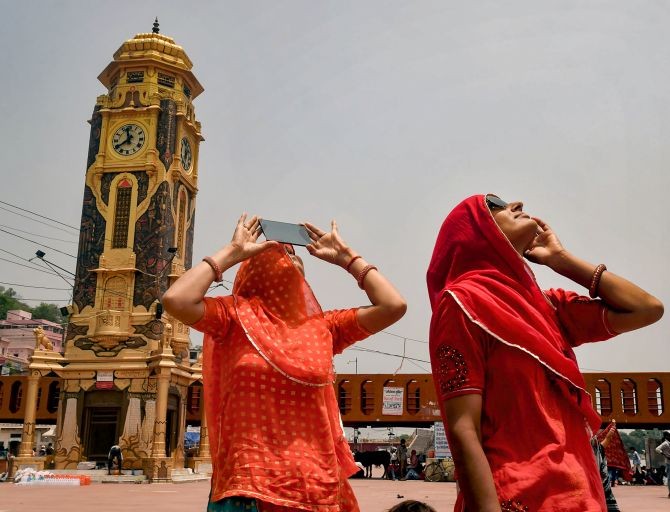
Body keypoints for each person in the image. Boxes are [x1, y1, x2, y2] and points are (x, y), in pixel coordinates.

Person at [426, 194, 664, 511]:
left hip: (583, 497)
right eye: (495, 204)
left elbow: (647, 309)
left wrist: (560, 259)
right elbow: (462, 428)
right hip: (519, 498)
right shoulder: (460, 304)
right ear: (473, 231)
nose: (517, 204)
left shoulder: (547, 305)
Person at [163, 214, 406, 512]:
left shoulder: (324, 327)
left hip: (316, 487)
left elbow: (393, 306)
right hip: (250, 487)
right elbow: (176, 299)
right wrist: (231, 252)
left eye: (292, 252)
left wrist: (347, 258)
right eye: (270, 249)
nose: (284, 252)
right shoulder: (232, 317)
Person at [654, 430, 670, 498]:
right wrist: (665, 455)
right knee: (669, 478)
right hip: (669, 463)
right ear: (666, 436)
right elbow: (657, 449)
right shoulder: (665, 443)